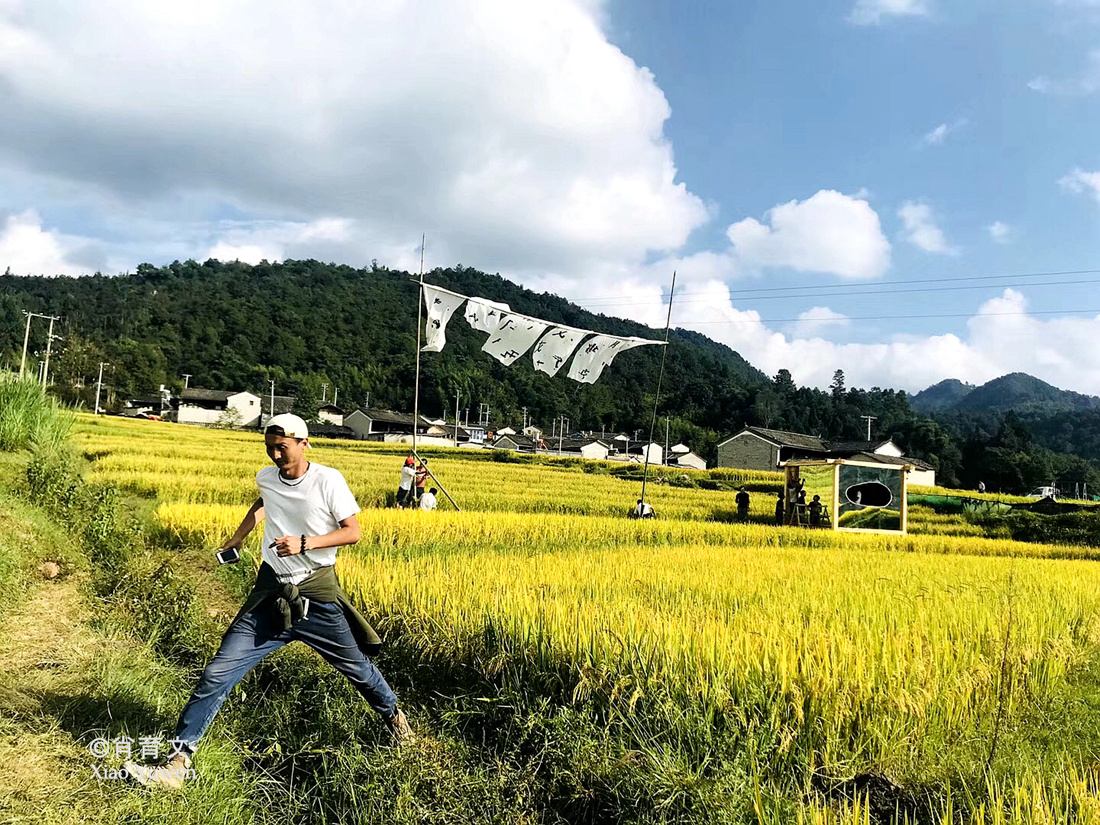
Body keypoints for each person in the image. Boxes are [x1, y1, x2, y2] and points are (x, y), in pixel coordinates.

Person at [124, 414, 412, 790]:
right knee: (218, 672)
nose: (276, 454)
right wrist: (238, 537)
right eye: (270, 447)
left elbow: (352, 532)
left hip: (316, 595)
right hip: (271, 591)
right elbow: (264, 502)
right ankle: (178, 763)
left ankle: (396, 720)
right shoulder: (266, 476)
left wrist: (304, 543)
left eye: (283, 447)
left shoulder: (328, 480)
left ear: (303, 443)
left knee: (356, 668)